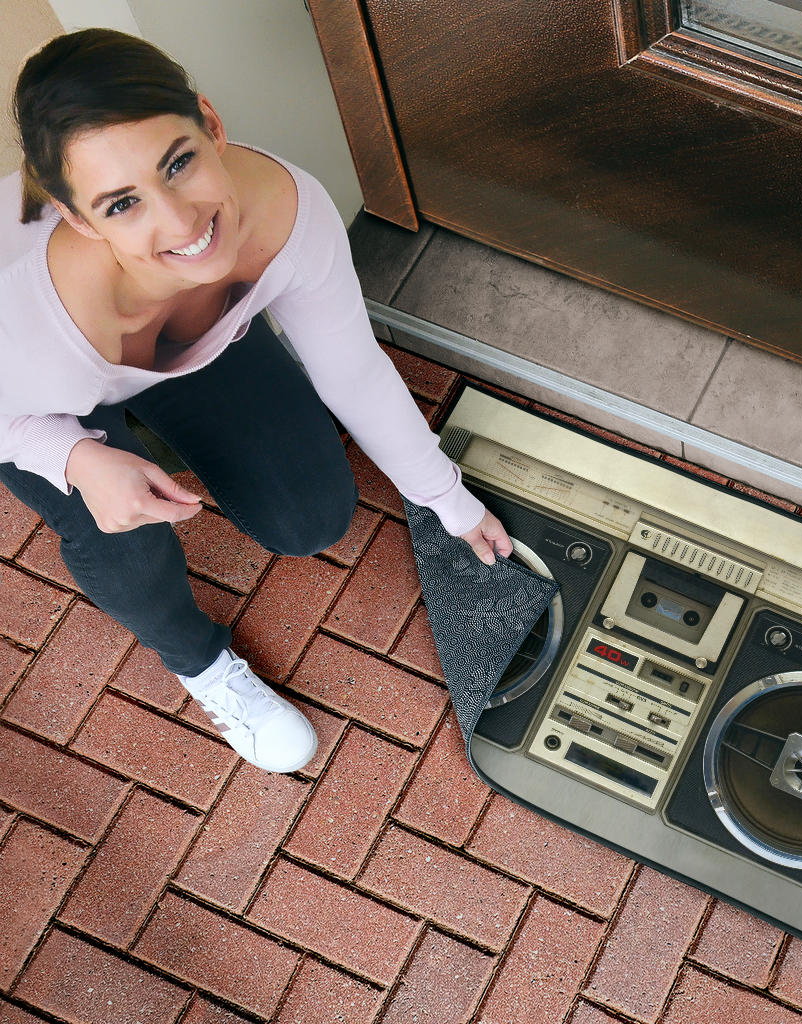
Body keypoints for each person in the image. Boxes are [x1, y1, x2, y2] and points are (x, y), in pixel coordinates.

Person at [1, 28, 513, 774]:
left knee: (310, 519)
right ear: (78, 220)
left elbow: (353, 370)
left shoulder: (289, 212)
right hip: (38, 403)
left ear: (211, 122)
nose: (181, 225)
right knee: (126, 540)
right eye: (121, 204)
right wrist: (78, 458)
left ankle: (170, 407)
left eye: (178, 163)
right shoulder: (34, 314)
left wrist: (447, 498)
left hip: (192, 349)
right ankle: (200, 664)